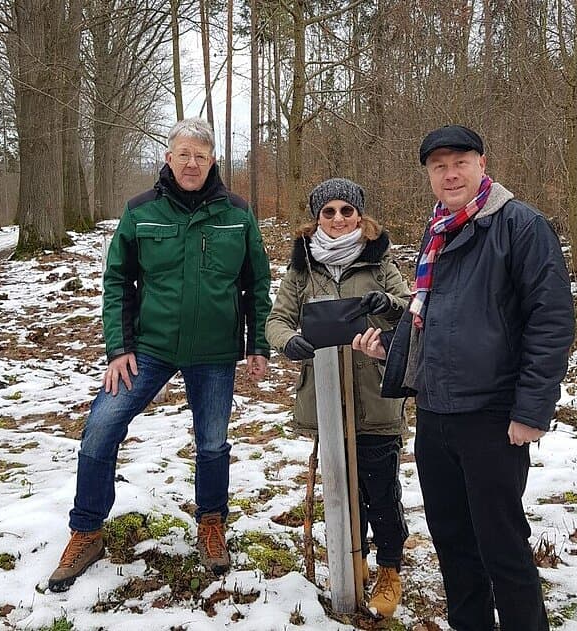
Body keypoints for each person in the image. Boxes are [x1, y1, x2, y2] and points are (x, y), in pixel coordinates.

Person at [352, 125, 575, 630]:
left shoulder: (520, 226)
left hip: (493, 417)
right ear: (429, 175)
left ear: (481, 163)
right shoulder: (438, 232)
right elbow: (437, 325)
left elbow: (552, 319)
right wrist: (389, 351)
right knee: (453, 542)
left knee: (502, 547)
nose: (450, 174)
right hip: (436, 415)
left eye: (460, 162)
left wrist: (531, 410)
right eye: (439, 166)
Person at [48, 118, 272, 592]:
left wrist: (257, 345)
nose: (192, 163)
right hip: (147, 349)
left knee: (212, 443)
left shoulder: (237, 213)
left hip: (213, 353)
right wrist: (118, 347)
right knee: (101, 427)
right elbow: (116, 282)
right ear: (168, 158)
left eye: (202, 155)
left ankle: (211, 524)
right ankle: (86, 531)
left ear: (214, 161)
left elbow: (257, 283)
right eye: (184, 153)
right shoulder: (140, 212)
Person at [266, 178, 411, 618]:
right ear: (316, 219)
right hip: (325, 396)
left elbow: (410, 309)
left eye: (346, 211)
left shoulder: (380, 261)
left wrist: (383, 302)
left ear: (360, 217)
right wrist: (288, 341)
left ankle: (390, 568)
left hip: (375, 394)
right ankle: (353, 560)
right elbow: (277, 319)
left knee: (380, 487)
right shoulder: (302, 269)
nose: (337, 219)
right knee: (341, 489)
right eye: (328, 212)